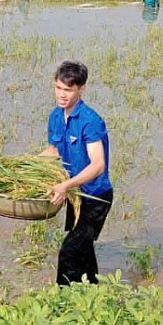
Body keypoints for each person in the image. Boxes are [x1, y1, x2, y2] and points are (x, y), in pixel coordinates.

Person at [43, 61, 113, 286]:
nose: (61, 95)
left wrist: (64, 186)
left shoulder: (90, 120)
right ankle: (93, 290)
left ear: (81, 89)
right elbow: (54, 150)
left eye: (68, 90)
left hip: (95, 197)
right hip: (75, 195)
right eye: (58, 88)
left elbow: (98, 165)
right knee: (84, 249)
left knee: (69, 251)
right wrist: (23, 164)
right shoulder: (55, 116)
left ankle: (63, 302)